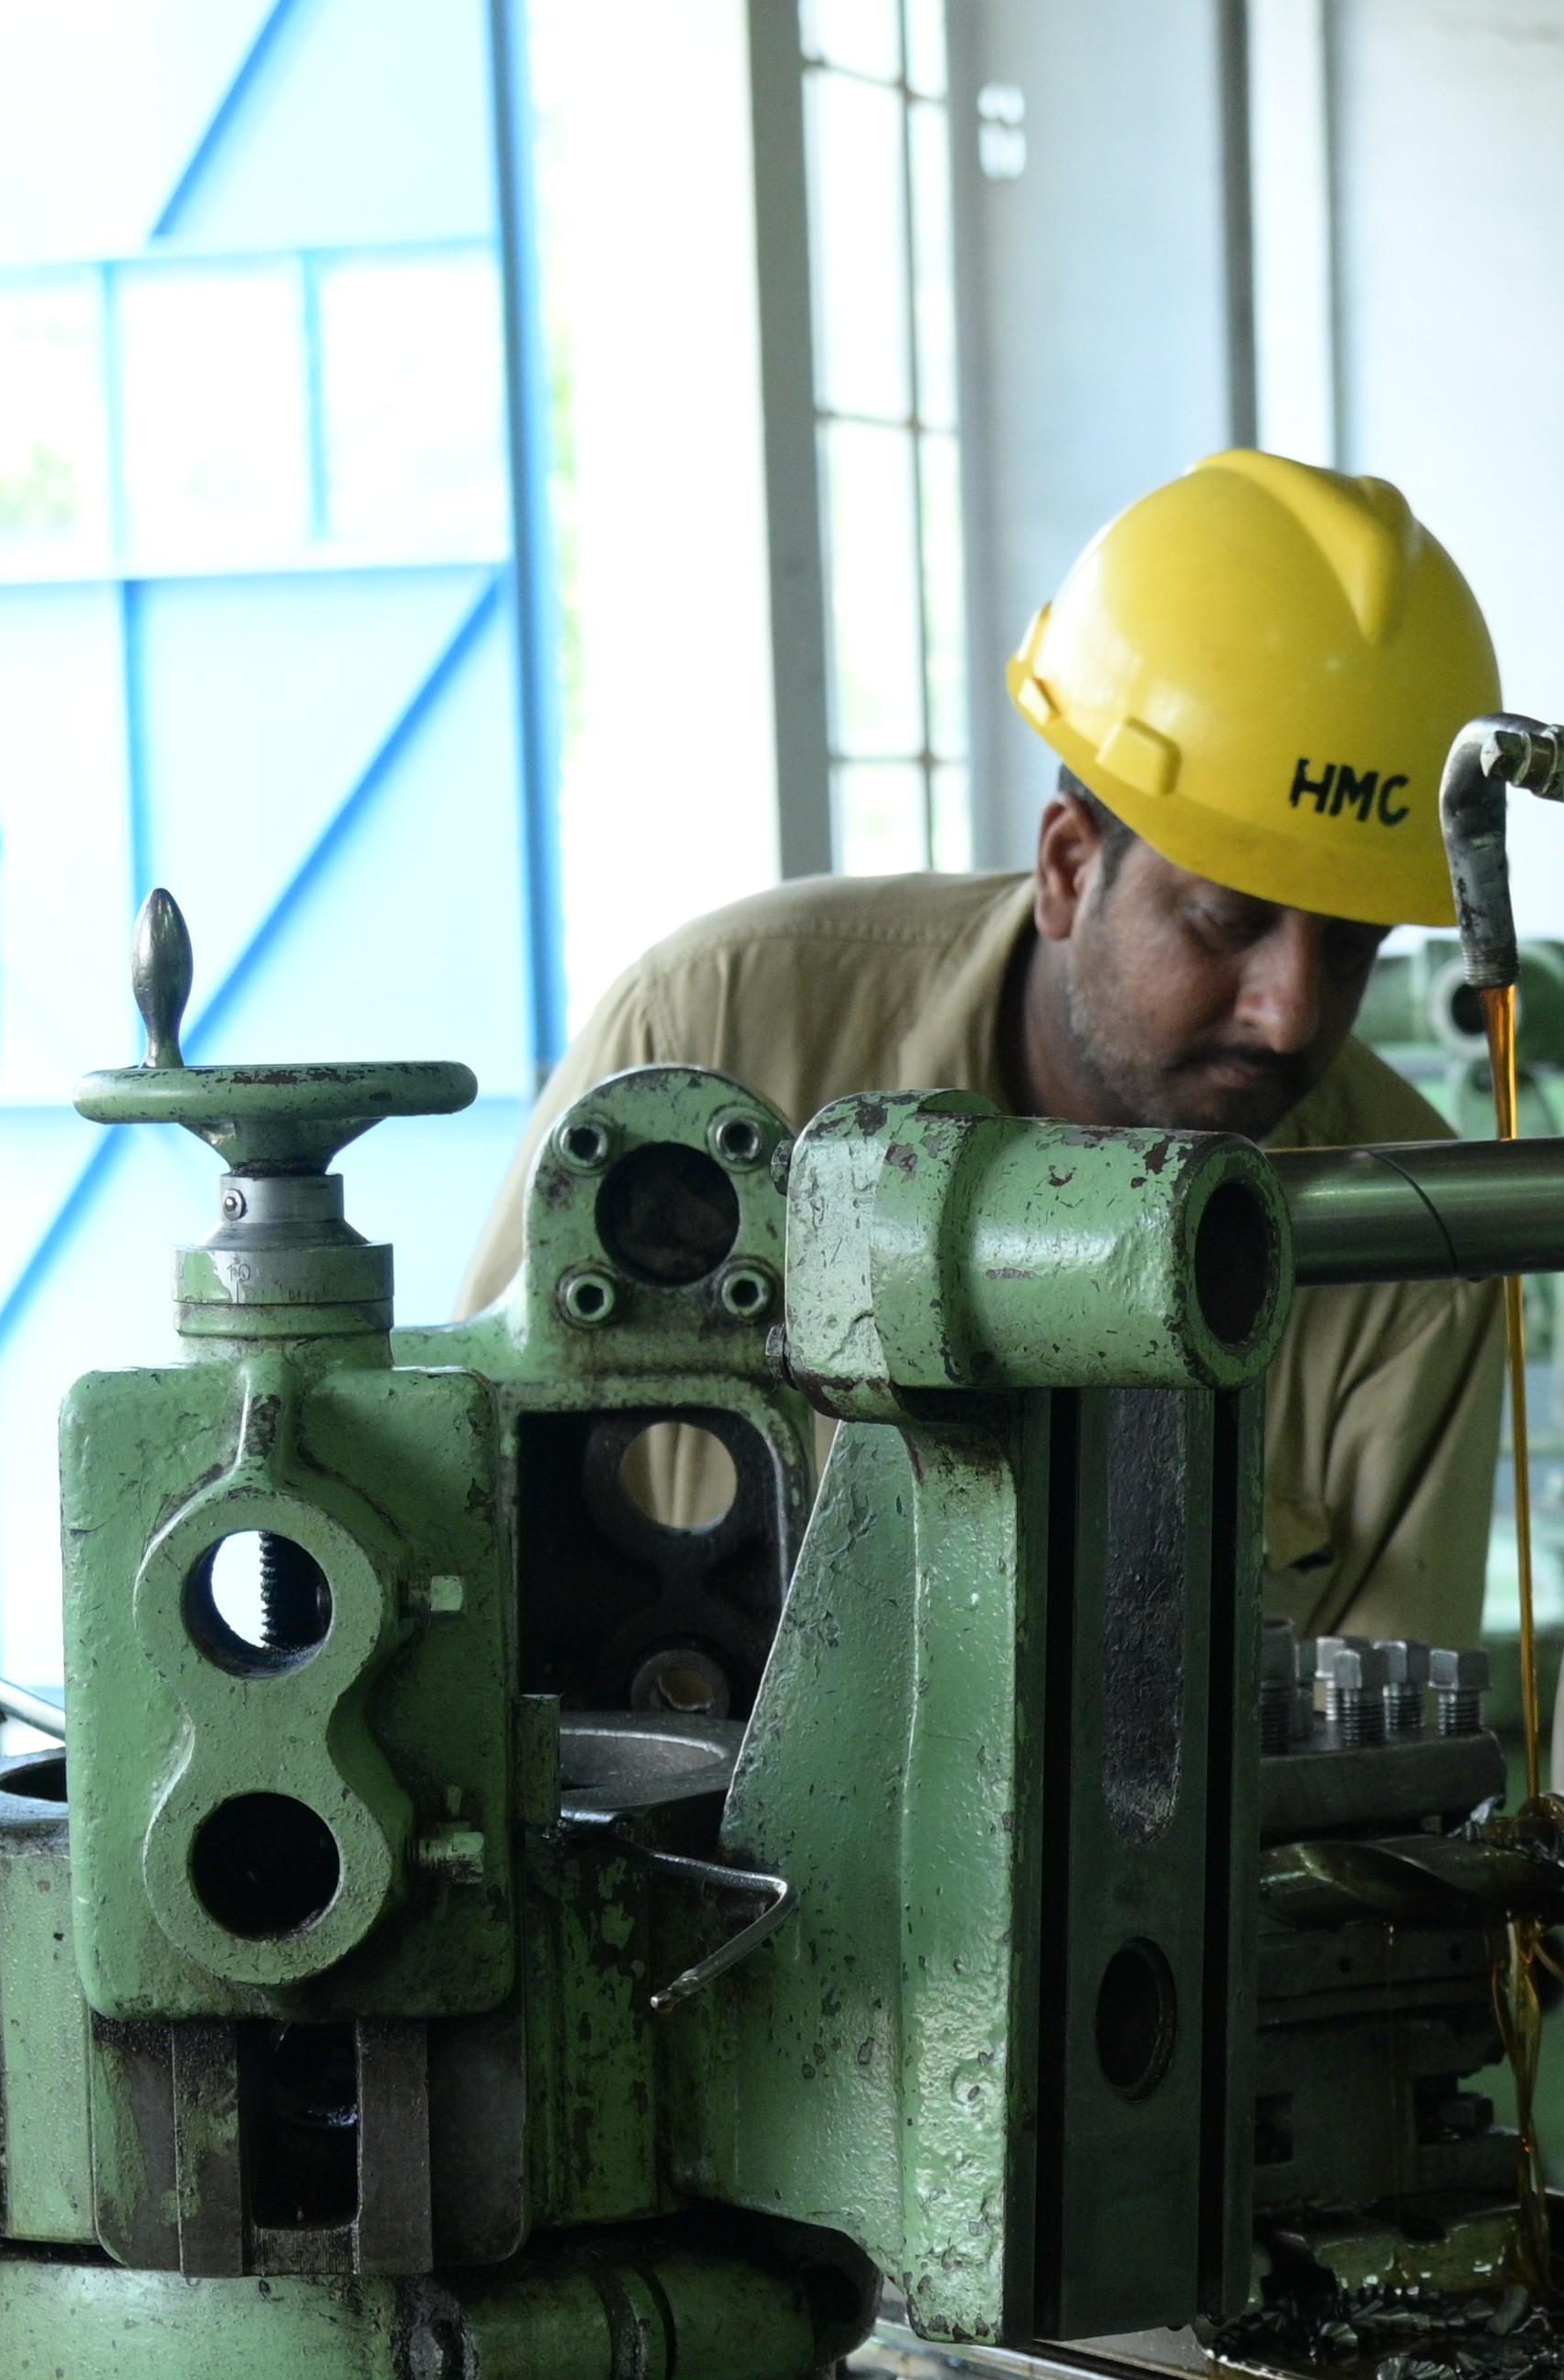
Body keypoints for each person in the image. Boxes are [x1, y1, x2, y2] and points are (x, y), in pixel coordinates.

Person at [460, 451, 1507, 1645]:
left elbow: (1377, 1781)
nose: (1290, 1015)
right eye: (1225, 922)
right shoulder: (706, 1031)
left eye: (1354, 947)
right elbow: (461, 1512)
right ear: (1068, 865)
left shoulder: (1411, 1244)